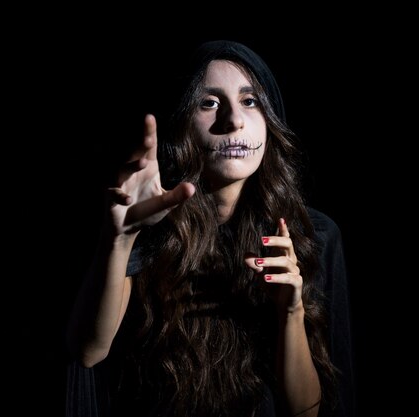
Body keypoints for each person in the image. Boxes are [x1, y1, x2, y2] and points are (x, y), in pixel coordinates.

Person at [65, 40, 355, 417]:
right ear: (181, 120)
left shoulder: (311, 235)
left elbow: (305, 411)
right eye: (209, 103)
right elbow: (88, 351)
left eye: (250, 101)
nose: (234, 120)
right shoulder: (150, 224)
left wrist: (290, 312)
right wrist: (119, 240)